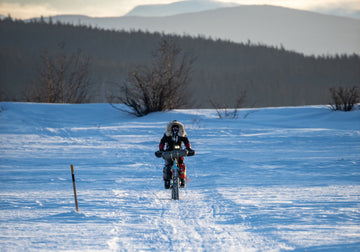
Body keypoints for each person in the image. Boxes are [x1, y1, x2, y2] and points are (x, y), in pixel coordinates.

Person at [158, 120, 193, 189]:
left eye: (177, 128)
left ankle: (182, 179)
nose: (175, 129)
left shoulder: (182, 135)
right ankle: (167, 180)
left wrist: (188, 148)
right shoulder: (167, 135)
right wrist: (161, 150)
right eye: (174, 128)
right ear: (171, 128)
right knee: (167, 165)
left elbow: (186, 141)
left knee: (181, 165)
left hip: (179, 152)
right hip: (169, 152)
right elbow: (162, 142)